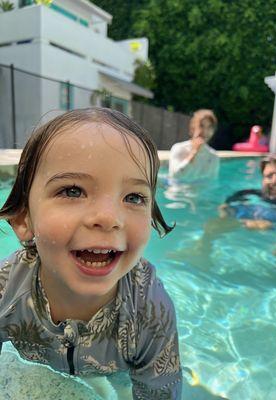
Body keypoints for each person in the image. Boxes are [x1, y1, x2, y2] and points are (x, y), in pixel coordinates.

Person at [0, 108, 182, 399]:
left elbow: (161, 392)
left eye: (134, 197)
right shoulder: (6, 289)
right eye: (73, 190)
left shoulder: (149, 310)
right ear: (23, 218)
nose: (109, 217)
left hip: (117, 374)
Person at [168, 109, 219, 183]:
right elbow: (174, 177)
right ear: (192, 128)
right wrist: (193, 153)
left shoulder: (214, 156)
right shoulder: (179, 148)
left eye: (209, 127)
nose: (205, 131)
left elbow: (211, 183)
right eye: (201, 125)